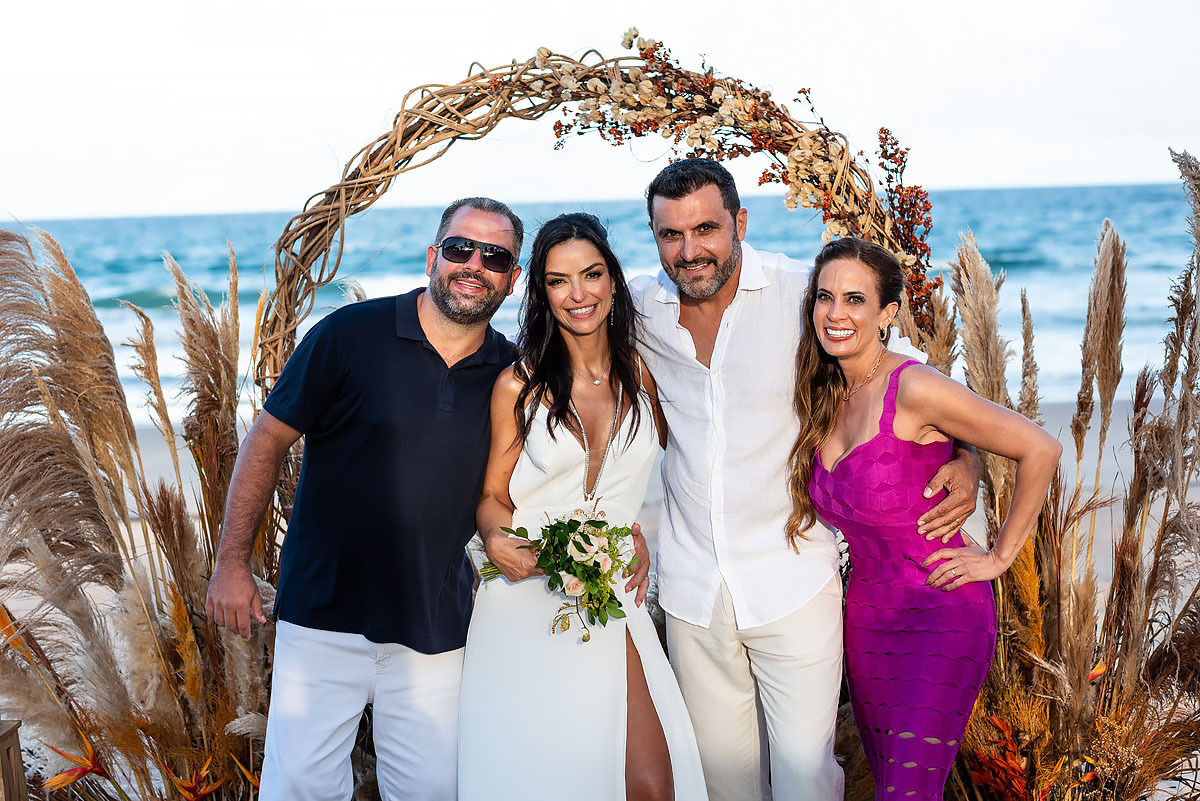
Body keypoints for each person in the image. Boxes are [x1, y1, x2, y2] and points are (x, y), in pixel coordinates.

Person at [204, 198, 624, 801]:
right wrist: (231, 564)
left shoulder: (513, 371)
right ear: (434, 256)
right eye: (460, 248)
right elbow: (266, 440)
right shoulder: (349, 336)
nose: (474, 264)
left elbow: (540, 481)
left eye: (495, 256)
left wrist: (614, 529)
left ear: (511, 279)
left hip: (435, 625)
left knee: (433, 791)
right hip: (324, 615)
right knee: (299, 790)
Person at [626, 159, 982, 801]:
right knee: (723, 781)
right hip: (692, 583)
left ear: (739, 222)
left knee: (805, 775)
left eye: (705, 229)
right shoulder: (640, 309)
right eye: (670, 235)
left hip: (793, 575)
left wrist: (970, 460)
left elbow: (912, 377)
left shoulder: (805, 293)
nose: (689, 251)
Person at [789, 236, 1061, 800]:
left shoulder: (912, 386)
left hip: (938, 611)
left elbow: (1040, 448)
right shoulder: (825, 393)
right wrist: (966, 457)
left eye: (855, 299)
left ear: (887, 313)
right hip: (865, 621)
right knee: (896, 783)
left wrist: (999, 557)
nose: (836, 314)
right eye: (825, 297)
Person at [459, 213, 707, 801]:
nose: (578, 295)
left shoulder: (643, 377)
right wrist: (496, 540)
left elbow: (707, 459)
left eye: (591, 275)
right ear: (541, 293)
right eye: (557, 281)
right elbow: (494, 496)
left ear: (613, 281)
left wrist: (639, 535)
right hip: (526, 595)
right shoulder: (519, 385)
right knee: (549, 780)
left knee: (651, 783)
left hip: (610, 592)